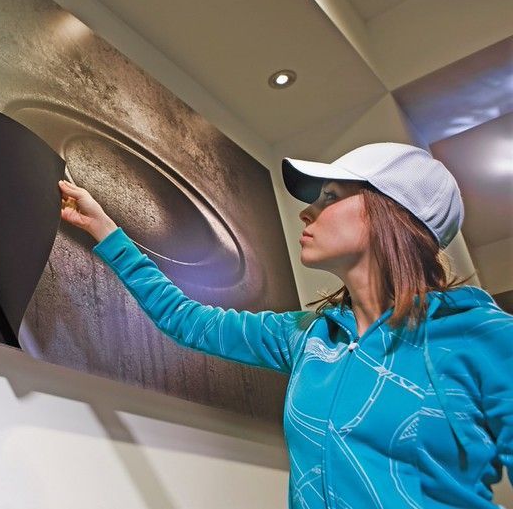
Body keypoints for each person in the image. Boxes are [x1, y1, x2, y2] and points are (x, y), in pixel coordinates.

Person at [57, 142, 512, 509]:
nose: (307, 212)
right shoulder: (307, 336)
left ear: (391, 214)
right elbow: (186, 320)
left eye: (330, 197)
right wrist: (107, 232)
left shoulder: (486, 338)